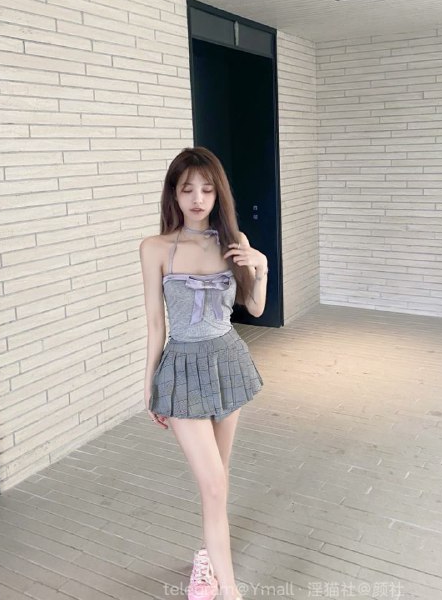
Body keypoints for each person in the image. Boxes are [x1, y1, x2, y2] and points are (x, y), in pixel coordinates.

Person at [139, 146, 267, 600]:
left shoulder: (233, 241)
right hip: (182, 369)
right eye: (187, 189)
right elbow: (156, 325)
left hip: (227, 361)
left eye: (207, 190)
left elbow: (254, 308)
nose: (197, 199)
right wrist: (151, 386)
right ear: (173, 194)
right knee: (213, 483)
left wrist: (261, 267)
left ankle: (208, 559)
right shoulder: (155, 248)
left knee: (219, 479)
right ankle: (230, 591)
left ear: (218, 195)